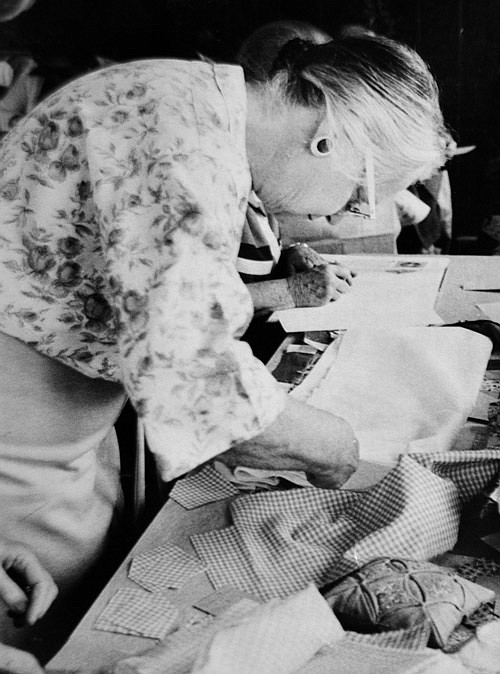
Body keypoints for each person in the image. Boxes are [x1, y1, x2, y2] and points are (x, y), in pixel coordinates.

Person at [0, 32, 447, 659]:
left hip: (75, 392)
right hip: (21, 410)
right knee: (52, 622)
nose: (336, 217)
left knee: (103, 565)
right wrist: (327, 443)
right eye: (354, 198)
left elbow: (169, 294)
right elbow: (187, 367)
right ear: (331, 140)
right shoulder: (178, 134)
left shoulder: (195, 109)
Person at [236, 20, 355, 313]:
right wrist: (289, 291)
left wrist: (288, 256)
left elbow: (247, 268)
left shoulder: (256, 182)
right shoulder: (217, 178)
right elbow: (188, 310)